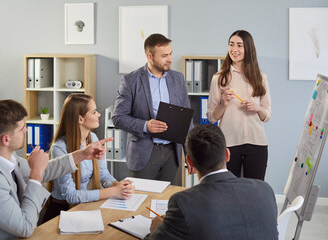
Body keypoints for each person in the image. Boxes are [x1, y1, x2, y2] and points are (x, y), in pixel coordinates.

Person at [0, 99, 112, 239]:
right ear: (6, 139)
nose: (26, 131)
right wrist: (35, 175)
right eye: (22, 128)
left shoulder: (0, 154)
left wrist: (82, 154)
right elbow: (25, 227)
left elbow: (45, 170)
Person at [144, 124, 278, 240]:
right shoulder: (264, 190)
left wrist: (157, 228)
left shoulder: (183, 202)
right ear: (227, 155)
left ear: (190, 161)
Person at [112, 33, 192, 184]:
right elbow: (118, 117)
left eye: (170, 54)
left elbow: (186, 119)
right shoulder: (130, 80)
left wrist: (190, 154)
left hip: (172, 154)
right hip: (144, 154)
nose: (170, 59)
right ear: (150, 57)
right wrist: (146, 125)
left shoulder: (178, 78)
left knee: (169, 203)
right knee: (141, 203)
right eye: (164, 55)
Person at [43, 94, 134, 222]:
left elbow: (103, 174)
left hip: (82, 207)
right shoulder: (60, 148)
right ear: (80, 119)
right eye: (94, 112)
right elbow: (71, 196)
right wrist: (114, 191)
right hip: (61, 212)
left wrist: (118, 185)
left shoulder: (93, 139)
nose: (99, 115)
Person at [207, 30, 271, 180]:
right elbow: (211, 117)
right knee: (229, 191)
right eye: (231, 44)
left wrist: (257, 108)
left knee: (254, 191)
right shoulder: (219, 78)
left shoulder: (261, 78)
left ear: (248, 49)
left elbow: (267, 115)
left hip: (257, 144)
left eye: (239, 45)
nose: (234, 50)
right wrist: (223, 104)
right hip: (229, 144)